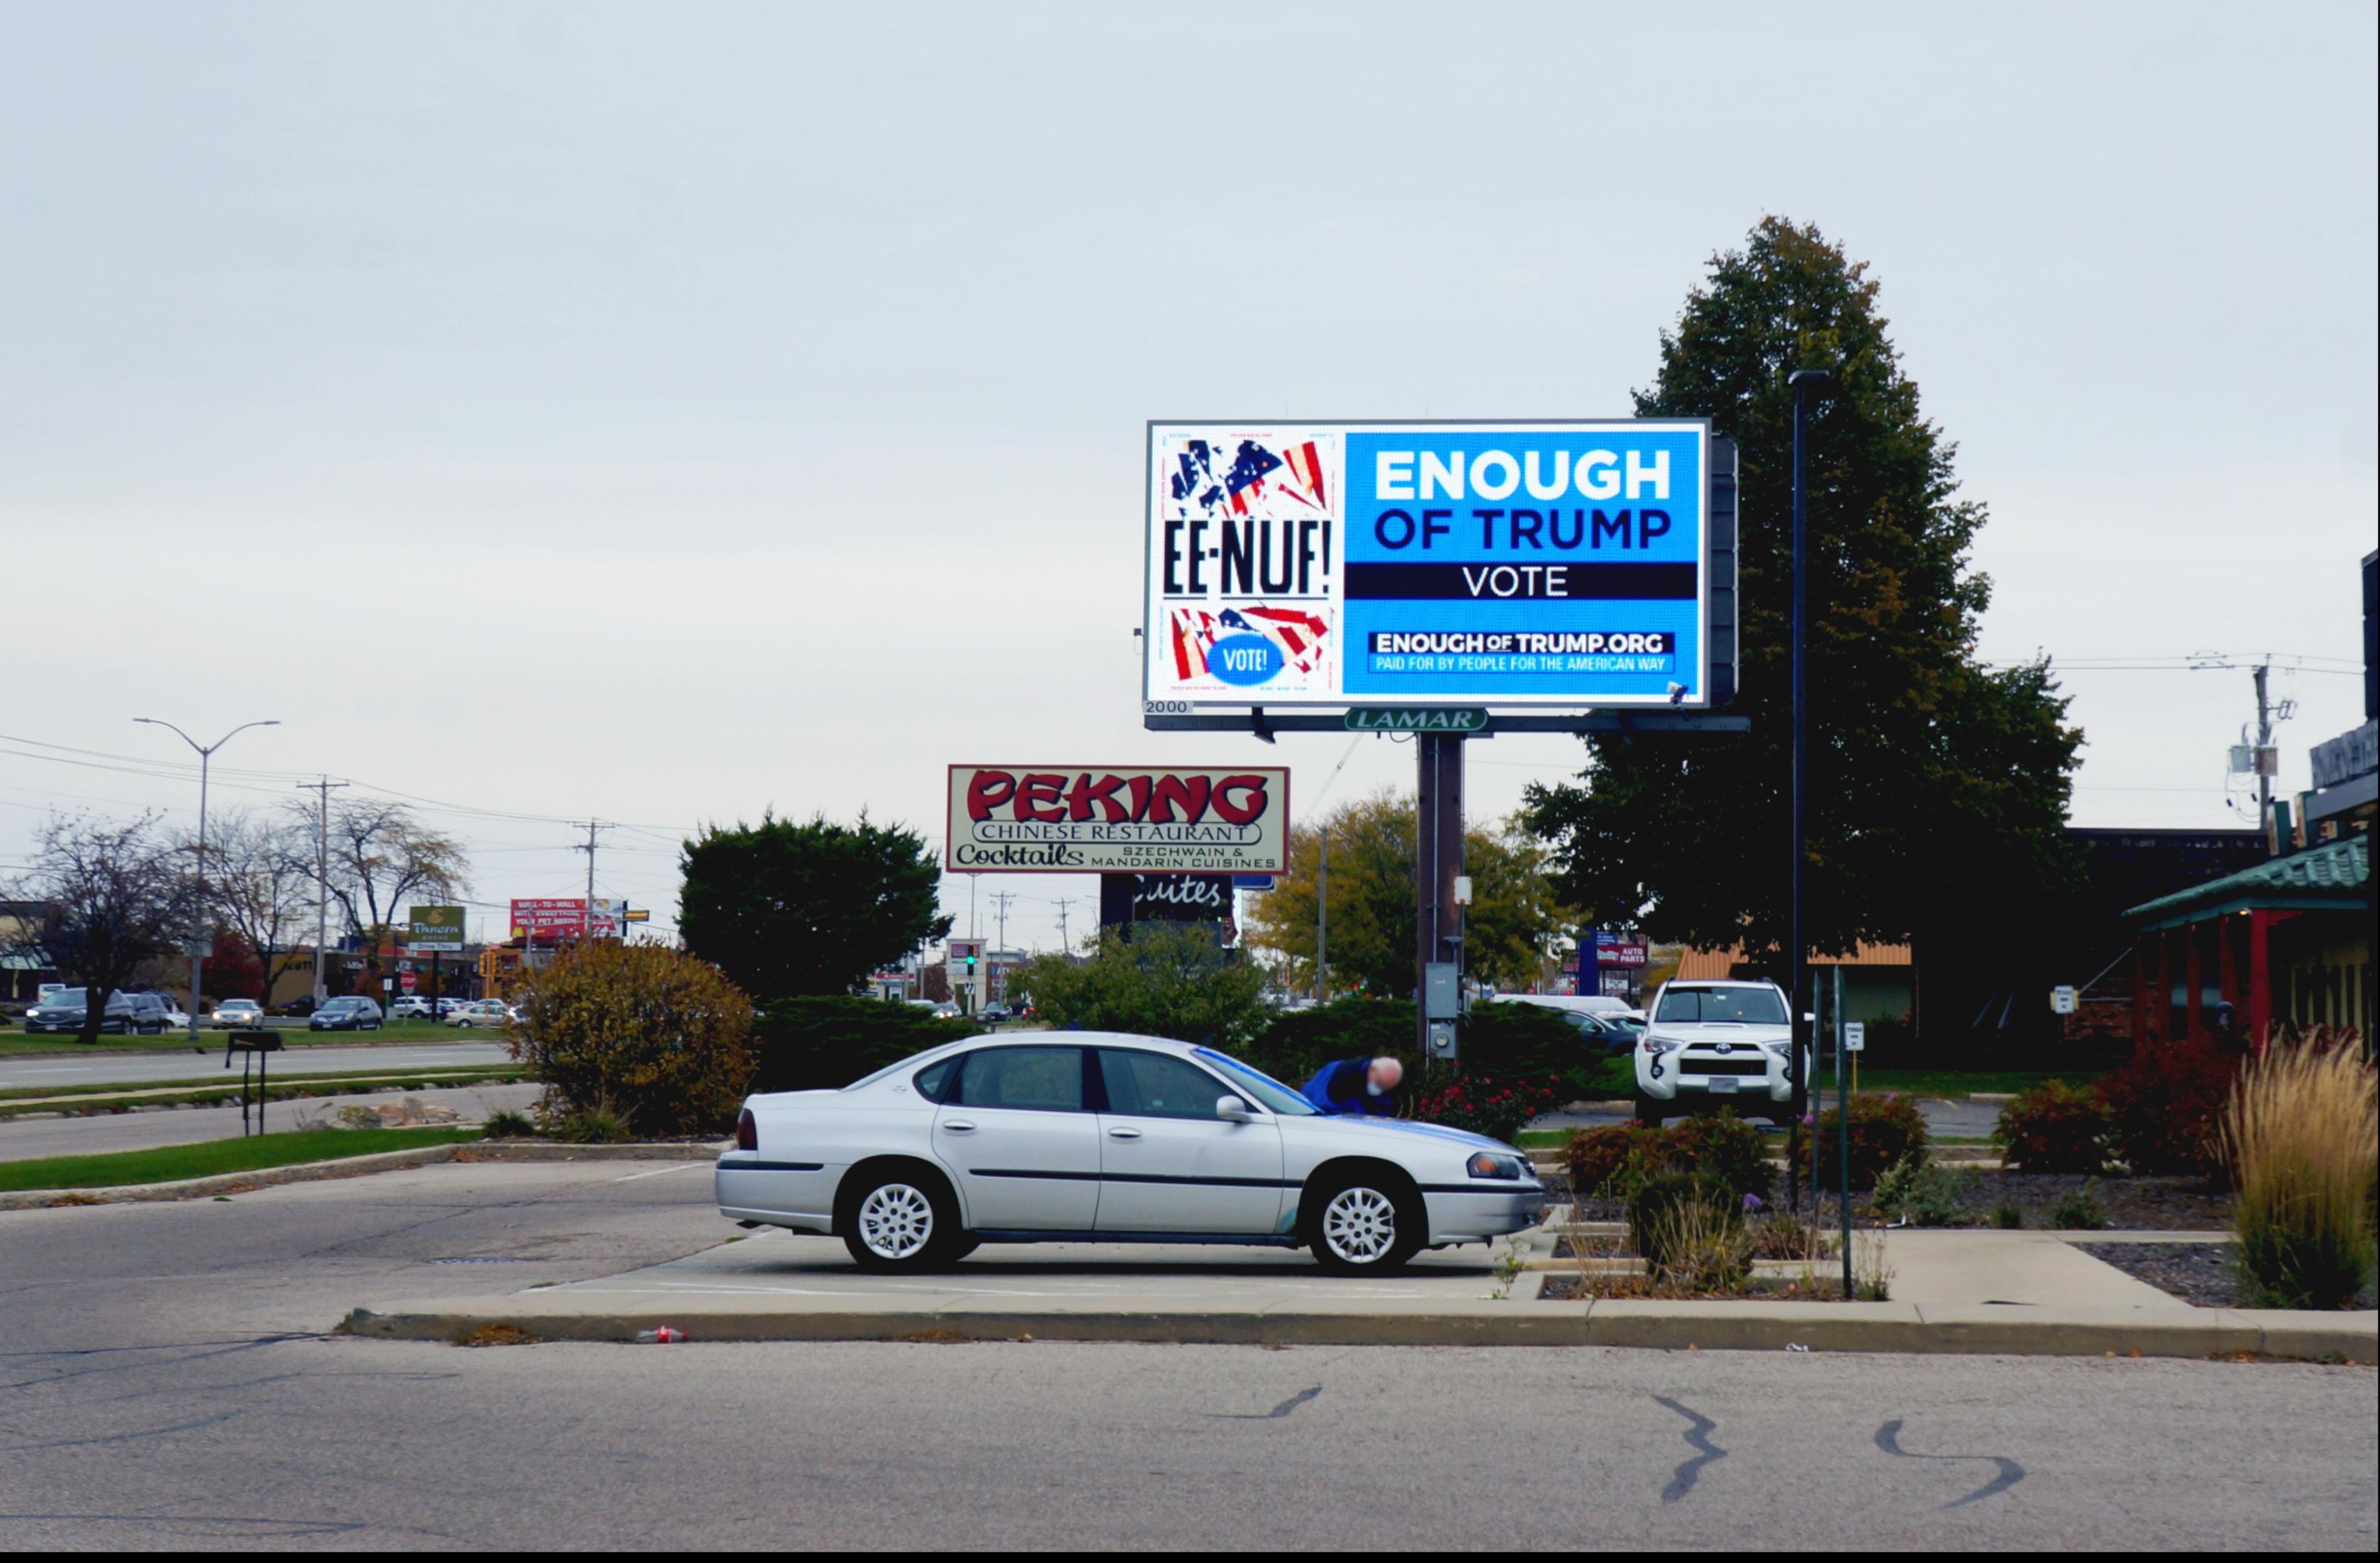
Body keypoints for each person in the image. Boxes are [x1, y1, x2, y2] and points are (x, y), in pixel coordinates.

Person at [1300, 1055, 1403, 1117]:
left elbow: (1381, 1109)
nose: (1381, 1090)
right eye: (1380, 1084)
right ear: (1372, 1071)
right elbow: (1324, 1110)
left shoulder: (1382, 1081)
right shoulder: (1341, 1077)